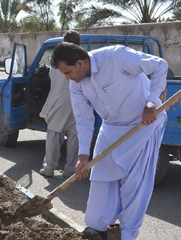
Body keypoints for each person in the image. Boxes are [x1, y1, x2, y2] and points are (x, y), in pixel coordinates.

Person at [51, 42, 168, 240]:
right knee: (99, 178)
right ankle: (97, 229)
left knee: (135, 185)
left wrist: (151, 102)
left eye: (68, 72)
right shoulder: (76, 84)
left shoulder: (115, 57)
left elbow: (160, 65)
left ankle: (127, 234)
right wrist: (83, 156)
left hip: (143, 126)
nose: (67, 78)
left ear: (80, 63)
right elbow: (84, 118)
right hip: (111, 128)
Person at [39, 30, 80, 178]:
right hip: (78, 102)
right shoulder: (82, 58)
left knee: (54, 134)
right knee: (74, 136)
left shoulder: (57, 58)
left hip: (59, 99)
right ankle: (70, 170)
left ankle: (49, 167)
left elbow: (51, 76)